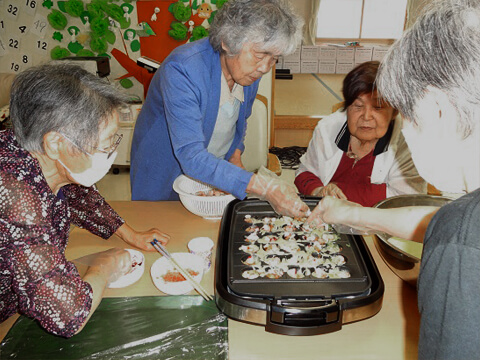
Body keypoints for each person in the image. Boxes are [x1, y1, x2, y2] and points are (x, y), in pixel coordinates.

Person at [307, 1, 480, 359]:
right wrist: (351, 214)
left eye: (408, 119)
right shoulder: (462, 220)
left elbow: (452, 228)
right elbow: (441, 221)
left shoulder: (461, 247)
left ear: (437, 109)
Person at [0, 63, 170, 338]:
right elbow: (67, 314)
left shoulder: (34, 151)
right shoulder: (14, 193)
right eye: (105, 144)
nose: (111, 152)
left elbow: (78, 196)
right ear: (55, 143)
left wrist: (132, 236)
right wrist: (103, 269)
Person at [130, 0, 309, 218]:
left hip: (209, 171)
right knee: (166, 230)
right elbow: (191, 156)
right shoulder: (183, 69)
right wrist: (265, 188)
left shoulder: (247, 73)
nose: (264, 68)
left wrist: (235, 155)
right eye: (260, 55)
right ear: (227, 41)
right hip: (164, 171)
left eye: (274, 59)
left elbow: (240, 120)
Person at [295, 61, 426, 207]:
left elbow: (404, 198)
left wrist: (337, 193)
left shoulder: (409, 141)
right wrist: (319, 191)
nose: (366, 116)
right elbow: (304, 173)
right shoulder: (327, 129)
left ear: (394, 111)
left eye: (377, 107)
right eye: (357, 106)